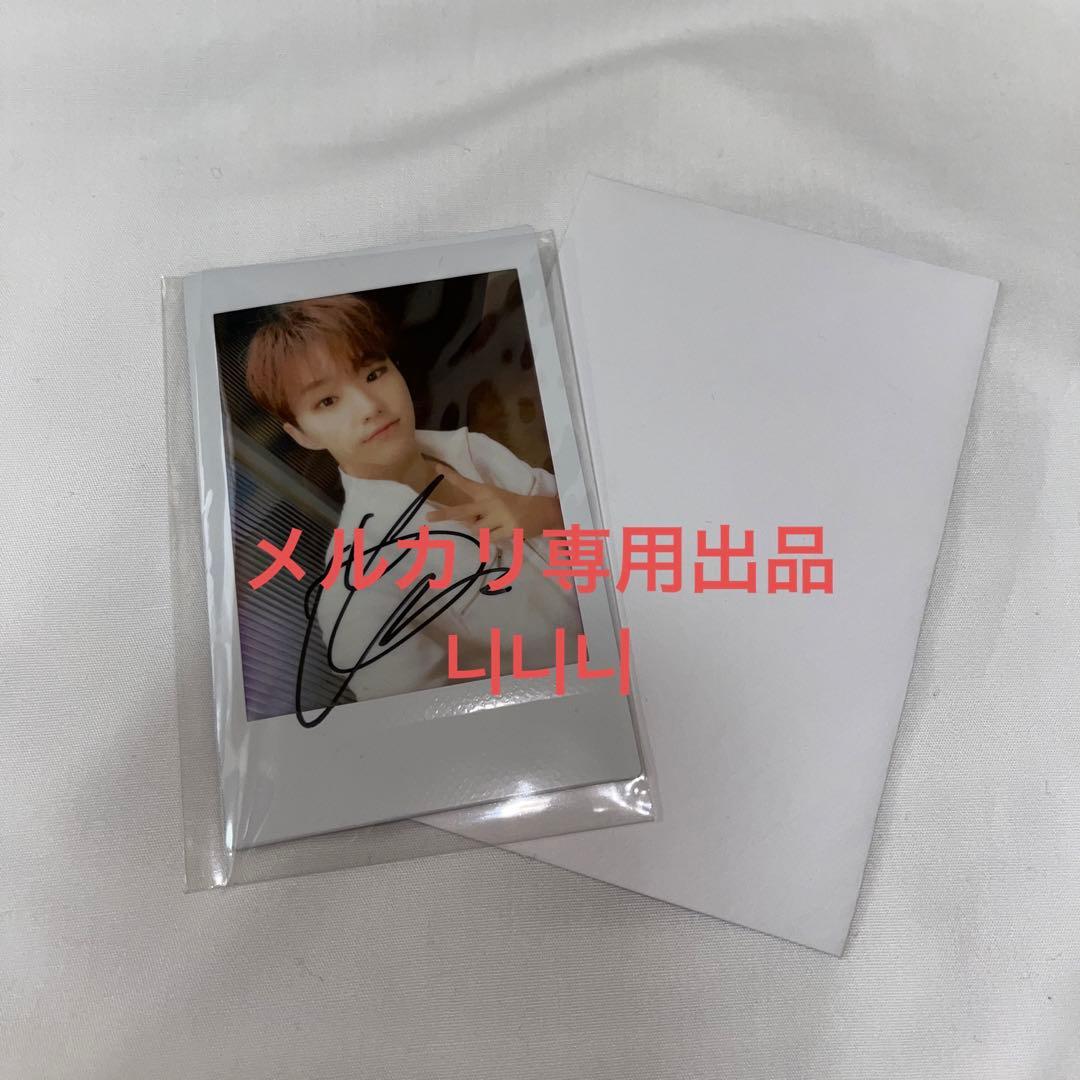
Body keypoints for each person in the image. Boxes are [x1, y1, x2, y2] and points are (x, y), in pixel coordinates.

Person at [244, 292, 584, 703]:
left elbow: (607, 524)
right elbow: (421, 725)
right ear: (302, 434)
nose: (370, 406)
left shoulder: (471, 450)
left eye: (373, 373)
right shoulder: (358, 585)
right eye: (327, 401)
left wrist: (545, 512)